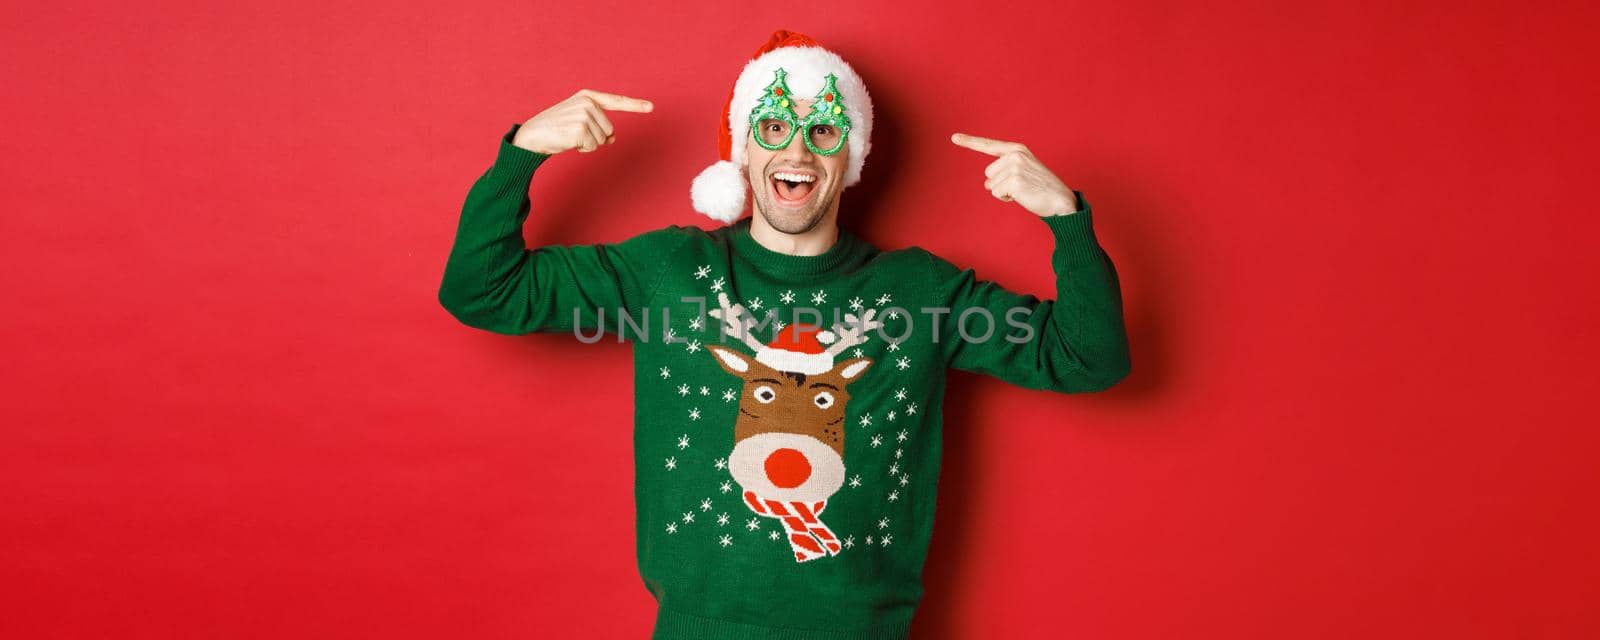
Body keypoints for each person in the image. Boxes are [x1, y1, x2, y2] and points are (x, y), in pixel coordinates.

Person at [439, 29, 1131, 640]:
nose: (797, 148)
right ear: (743, 149)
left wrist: (1066, 221)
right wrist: (523, 153)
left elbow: (1087, 358)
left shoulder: (922, 294)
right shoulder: (670, 272)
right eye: (773, 126)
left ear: (849, 158)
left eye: (824, 131)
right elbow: (482, 290)